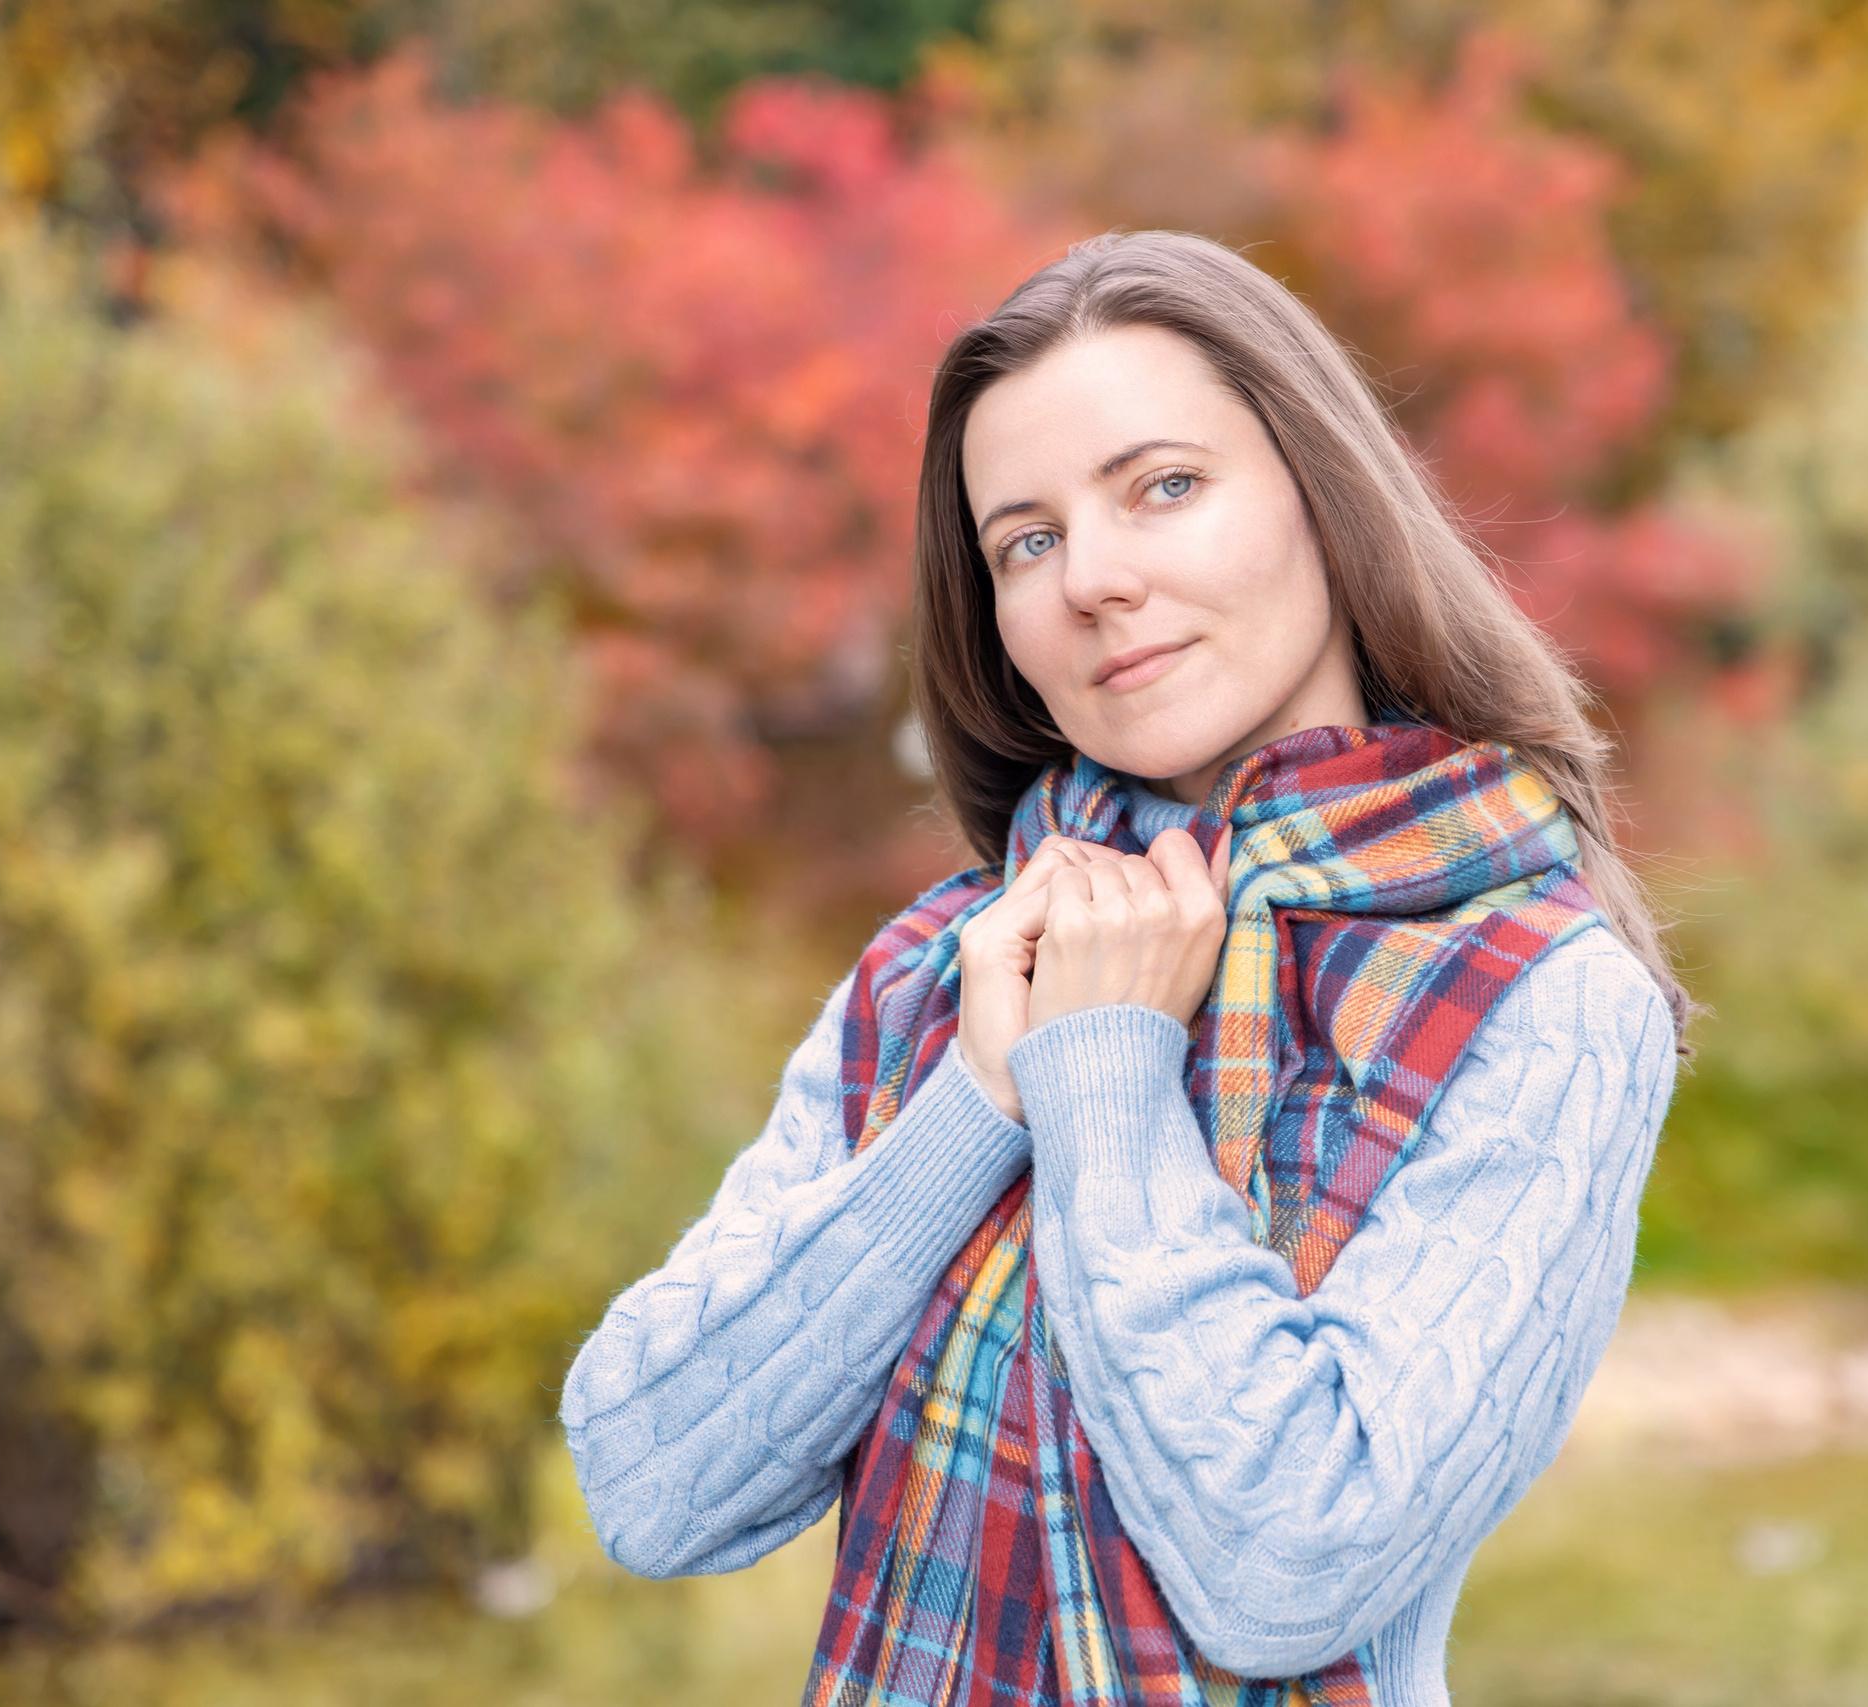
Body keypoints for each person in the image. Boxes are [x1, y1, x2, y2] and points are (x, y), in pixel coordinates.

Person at [559, 231, 1684, 1707]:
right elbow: (653, 1485)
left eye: (1164, 487)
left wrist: (1100, 1077)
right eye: (1025, 541)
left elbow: (1287, 1567)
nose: (1093, 578)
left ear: (1320, 499)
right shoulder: (939, 976)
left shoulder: (1544, 998)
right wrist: (977, 1095)